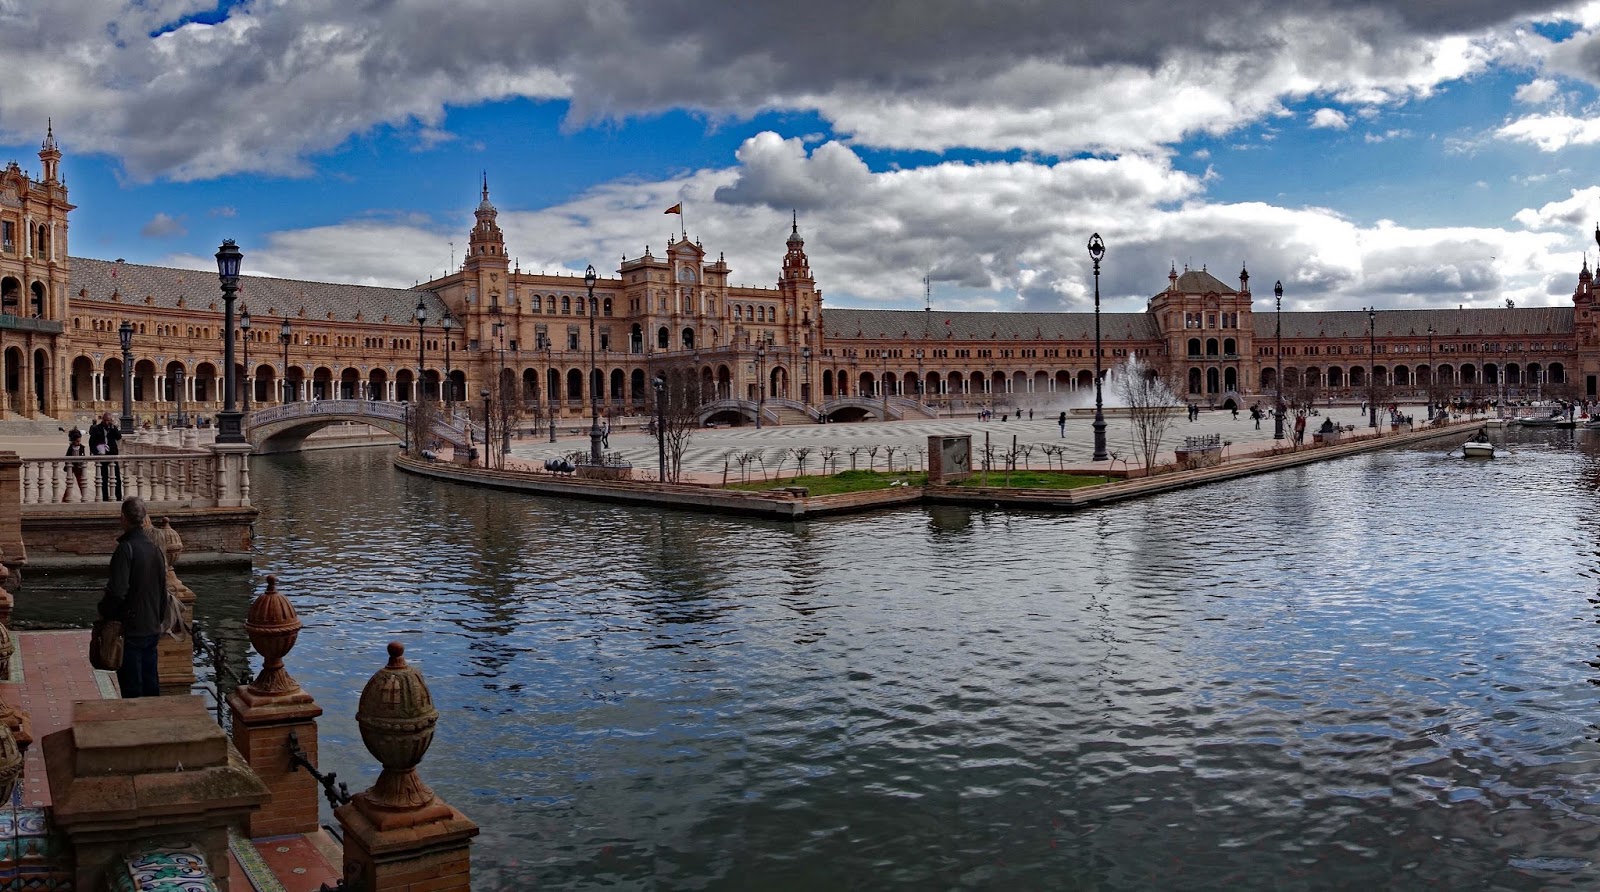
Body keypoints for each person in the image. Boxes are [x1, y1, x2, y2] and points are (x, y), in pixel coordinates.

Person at [97, 496, 167, 698]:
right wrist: (158, 619)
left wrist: (105, 612)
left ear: (123, 519)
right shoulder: (155, 550)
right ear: (144, 519)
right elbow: (163, 590)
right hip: (152, 626)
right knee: (151, 683)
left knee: (132, 687)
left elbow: (117, 591)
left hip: (131, 628)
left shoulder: (125, 549)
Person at [89, 412, 123, 501]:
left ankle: (118, 496)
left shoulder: (112, 428)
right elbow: (92, 442)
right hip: (102, 455)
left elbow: (119, 437)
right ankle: (105, 497)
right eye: (107, 420)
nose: (109, 422)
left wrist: (113, 427)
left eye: (110, 420)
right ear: (103, 420)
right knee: (104, 477)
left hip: (112, 454)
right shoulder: (97, 428)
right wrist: (96, 453)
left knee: (117, 477)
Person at [64, 428, 86, 501]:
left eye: (79, 441)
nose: (78, 443)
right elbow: (67, 456)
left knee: (81, 482)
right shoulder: (71, 448)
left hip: (79, 467)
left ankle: (84, 496)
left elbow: (83, 456)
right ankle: (65, 498)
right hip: (72, 467)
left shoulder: (82, 447)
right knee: (69, 483)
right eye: (77, 441)